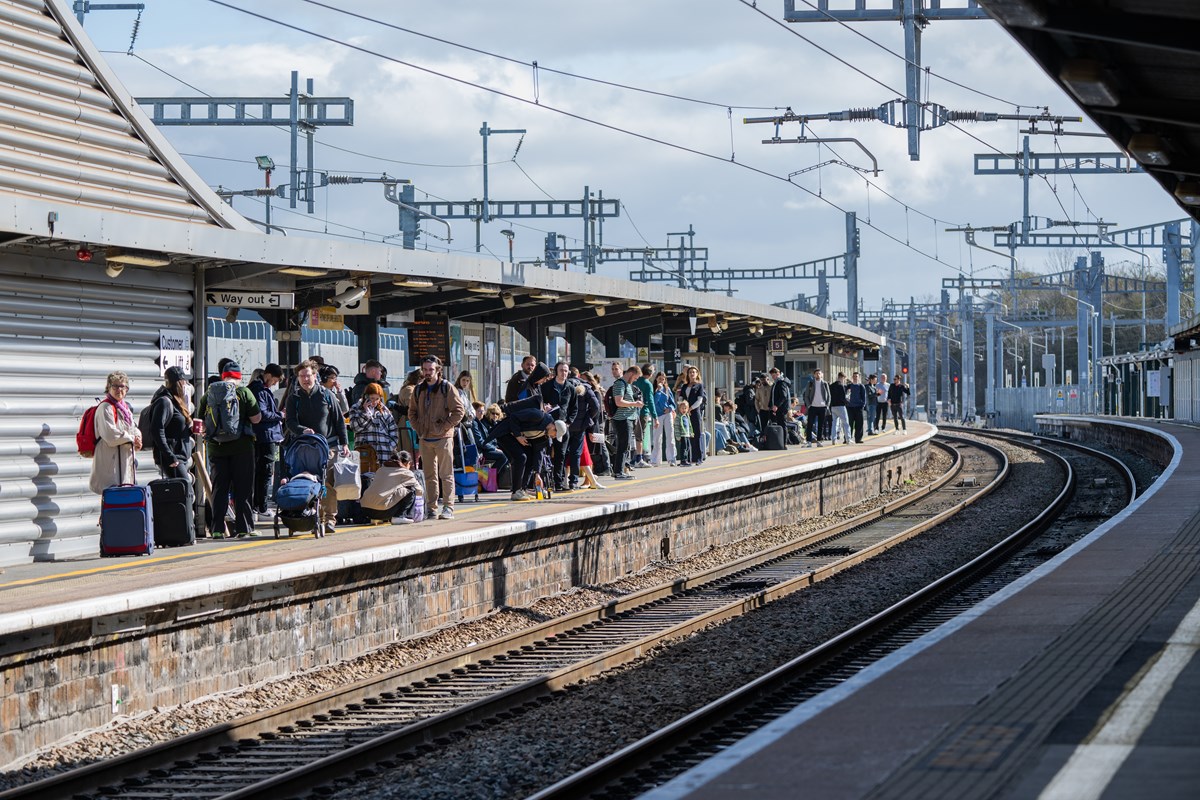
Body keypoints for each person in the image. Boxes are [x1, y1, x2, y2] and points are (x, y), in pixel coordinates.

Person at [197, 361, 262, 538]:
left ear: (223, 376)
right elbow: (256, 419)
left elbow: (199, 421)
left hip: (216, 449)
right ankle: (244, 528)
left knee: (219, 489)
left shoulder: (209, 393)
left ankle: (217, 529)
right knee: (243, 489)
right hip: (242, 447)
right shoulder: (243, 392)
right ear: (239, 377)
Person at [285, 359, 348, 536]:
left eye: (308, 375)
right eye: (302, 376)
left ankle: (329, 519)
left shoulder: (327, 395)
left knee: (327, 483)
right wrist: (301, 430)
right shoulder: (294, 398)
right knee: (309, 482)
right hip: (304, 447)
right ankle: (313, 518)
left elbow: (338, 420)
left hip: (328, 446)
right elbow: (290, 422)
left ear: (315, 375)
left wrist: (345, 444)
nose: (305, 379)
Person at [407, 355, 467, 520]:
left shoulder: (446, 388)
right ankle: (431, 508)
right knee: (429, 476)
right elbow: (411, 411)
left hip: (443, 438)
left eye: (431, 369)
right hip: (425, 438)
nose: (427, 373)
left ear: (438, 370)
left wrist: (444, 426)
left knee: (446, 474)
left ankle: (448, 507)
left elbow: (459, 411)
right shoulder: (418, 389)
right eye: (425, 369)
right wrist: (418, 427)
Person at [481, 394, 563, 500]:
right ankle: (516, 492)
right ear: (553, 426)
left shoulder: (545, 436)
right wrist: (518, 435)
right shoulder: (538, 415)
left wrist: (537, 473)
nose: (554, 437)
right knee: (521, 457)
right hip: (506, 432)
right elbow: (514, 417)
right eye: (555, 434)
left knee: (529, 458)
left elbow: (539, 453)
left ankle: (522, 489)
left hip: (515, 436)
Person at [88, 371, 142, 494]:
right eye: (115, 386)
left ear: (127, 389)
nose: (119, 390)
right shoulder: (105, 407)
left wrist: (138, 437)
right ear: (108, 388)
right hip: (110, 463)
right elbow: (110, 436)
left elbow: (132, 427)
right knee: (111, 503)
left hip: (123, 462)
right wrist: (132, 439)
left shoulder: (124, 407)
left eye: (122, 386)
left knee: (120, 504)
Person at [247, 363, 284, 515]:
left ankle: (257, 505)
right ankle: (261, 506)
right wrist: (280, 415)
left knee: (261, 471)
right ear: (268, 375)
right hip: (265, 436)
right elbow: (262, 414)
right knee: (265, 471)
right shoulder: (260, 390)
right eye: (275, 380)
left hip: (262, 435)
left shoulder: (258, 389)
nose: (275, 384)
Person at [148, 366, 194, 482]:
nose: (185, 385)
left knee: (181, 492)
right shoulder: (164, 401)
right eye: (184, 381)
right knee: (184, 490)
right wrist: (169, 456)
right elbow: (157, 430)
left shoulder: (176, 401)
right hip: (172, 457)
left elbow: (174, 429)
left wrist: (190, 430)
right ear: (179, 383)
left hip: (179, 455)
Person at [540, 361, 579, 490]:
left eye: (566, 371)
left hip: (562, 426)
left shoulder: (571, 388)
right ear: (556, 371)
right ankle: (543, 481)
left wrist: (568, 423)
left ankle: (559, 482)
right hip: (547, 425)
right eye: (561, 370)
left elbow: (574, 408)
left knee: (561, 454)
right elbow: (539, 402)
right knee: (543, 452)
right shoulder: (546, 386)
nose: (564, 373)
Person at [359, 451, 422, 524]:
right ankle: (399, 516)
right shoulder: (405, 472)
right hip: (383, 510)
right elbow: (419, 491)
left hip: (366, 510)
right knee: (411, 490)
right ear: (406, 463)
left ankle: (376, 518)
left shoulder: (380, 470)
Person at [349, 382, 399, 467]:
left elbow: (393, 431)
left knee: (383, 478)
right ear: (366, 396)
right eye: (372, 398)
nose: (374, 401)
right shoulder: (356, 408)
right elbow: (355, 427)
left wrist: (389, 446)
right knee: (366, 478)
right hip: (365, 453)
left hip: (384, 454)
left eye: (377, 399)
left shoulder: (385, 411)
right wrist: (365, 412)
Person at [609, 365, 643, 480]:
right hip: (622, 419)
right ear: (632, 373)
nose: (635, 380)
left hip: (628, 418)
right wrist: (635, 404)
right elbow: (619, 402)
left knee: (625, 445)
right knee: (623, 445)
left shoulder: (628, 385)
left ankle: (619, 470)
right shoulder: (620, 384)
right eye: (636, 377)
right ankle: (618, 472)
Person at [678, 365, 707, 465]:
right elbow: (681, 398)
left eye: (694, 372)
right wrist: (682, 407)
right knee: (687, 435)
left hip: (695, 413)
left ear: (697, 374)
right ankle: (687, 458)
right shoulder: (685, 386)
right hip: (685, 414)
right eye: (690, 372)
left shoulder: (699, 386)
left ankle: (699, 458)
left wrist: (690, 408)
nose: (692, 374)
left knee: (697, 435)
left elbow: (700, 400)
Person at [393, 368, 422, 460]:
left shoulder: (413, 389)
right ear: (419, 379)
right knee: (410, 455)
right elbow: (411, 408)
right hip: (408, 426)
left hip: (411, 425)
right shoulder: (410, 389)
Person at [631, 365, 657, 468]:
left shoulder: (635, 381)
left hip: (632, 411)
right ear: (651, 373)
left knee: (633, 435)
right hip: (643, 412)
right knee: (640, 436)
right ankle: (639, 459)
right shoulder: (648, 384)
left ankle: (633, 458)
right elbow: (650, 401)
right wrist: (655, 416)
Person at [651, 371, 677, 466]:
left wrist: (670, 408)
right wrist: (658, 391)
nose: (661, 380)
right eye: (660, 378)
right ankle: (655, 460)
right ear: (656, 379)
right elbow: (654, 401)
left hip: (667, 414)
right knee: (657, 438)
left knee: (670, 436)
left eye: (663, 379)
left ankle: (672, 458)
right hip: (658, 415)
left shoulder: (667, 389)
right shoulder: (654, 389)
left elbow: (672, 402)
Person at [802, 368, 831, 447]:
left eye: (819, 373)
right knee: (810, 424)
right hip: (813, 407)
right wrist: (809, 405)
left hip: (822, 407)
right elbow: (806, 395)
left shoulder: (825, 383)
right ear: (814, 375)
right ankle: (809, 441)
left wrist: (827, 405)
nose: (818, 375)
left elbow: (828, 395)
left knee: (821, 425)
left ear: (822, 375)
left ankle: (819, 441)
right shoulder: (810, 383)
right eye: (816, 373)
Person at [829, 372, 850, 445]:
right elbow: (843, 397)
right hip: (841, 406)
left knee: (834, 424)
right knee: (846, 423)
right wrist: (848, 398)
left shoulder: (831, 386)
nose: (844, 381)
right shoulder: (841, 386)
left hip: (833, 407)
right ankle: (848, 439)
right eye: (844, 379)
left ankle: (834, 440)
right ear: (842, 377)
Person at [846, 372, 867, 444]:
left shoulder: (861, 386)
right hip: (850, 407)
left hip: (858, 407)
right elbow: (845, 395)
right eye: (854, 376)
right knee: (849, 423)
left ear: (859, 377)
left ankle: (858, 438)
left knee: (859, 424)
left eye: (856, 376)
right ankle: (848, 438)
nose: (855, 378)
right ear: (852, 377)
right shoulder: (849, 386)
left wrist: (862, 406)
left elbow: (864, 397)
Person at [674, 399, 695, 466]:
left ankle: (688, 460)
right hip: (682, 435)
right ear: (679, 409)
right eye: (682, 408)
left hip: (687, 435)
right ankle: (683, 460)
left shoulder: (687, 416)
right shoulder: (678, 417)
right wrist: (678, 436)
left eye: (685, 408)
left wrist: (691, 433)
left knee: (688, 447)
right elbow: (676, 427)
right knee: (684, 448)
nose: (684, 410)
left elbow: (689, 425)